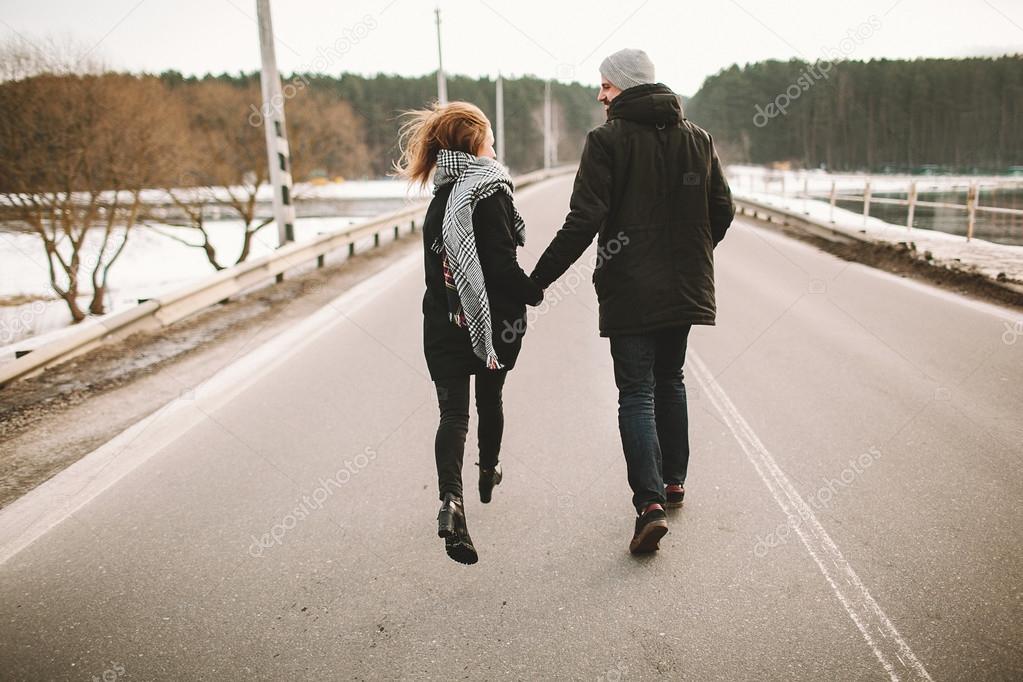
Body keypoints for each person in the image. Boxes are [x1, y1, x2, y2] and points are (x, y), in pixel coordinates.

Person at [529, 49, 735, 555]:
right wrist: (689, 255)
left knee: (636, 392)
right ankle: (674, 481)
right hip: (685, 287)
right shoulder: (698, 139)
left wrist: (535, 282)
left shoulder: (607, 141)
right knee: (671, 378)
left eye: (605, 85)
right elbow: (722, 211)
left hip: (631, 290)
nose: (600, 95)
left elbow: (583, 221)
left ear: (624, 85)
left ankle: (649, 507)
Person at [396, 101, 544, 565]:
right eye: (490, 137)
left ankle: (451, 502)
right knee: (491, 399)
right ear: (475, 142)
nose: (494, 144)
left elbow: (437, 270)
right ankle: (489, 468)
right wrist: (534, 291)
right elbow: (500, 266)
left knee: (453, 416)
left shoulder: (441, 197)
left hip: (442, 323)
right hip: (491, 322)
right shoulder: (490, 191)